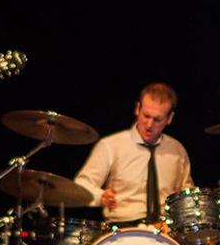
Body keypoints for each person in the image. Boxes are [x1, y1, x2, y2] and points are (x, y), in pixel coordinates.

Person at [73, 83, 194, 226]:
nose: (149, 124)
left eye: (157, 119)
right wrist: (100, 197)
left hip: (165, 231)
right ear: (137, 109)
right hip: (123, 228)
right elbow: (81, 185)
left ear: (169, 118)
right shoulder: (111, 146)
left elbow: (188, 197)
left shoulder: (177, 150)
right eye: (146, 116)